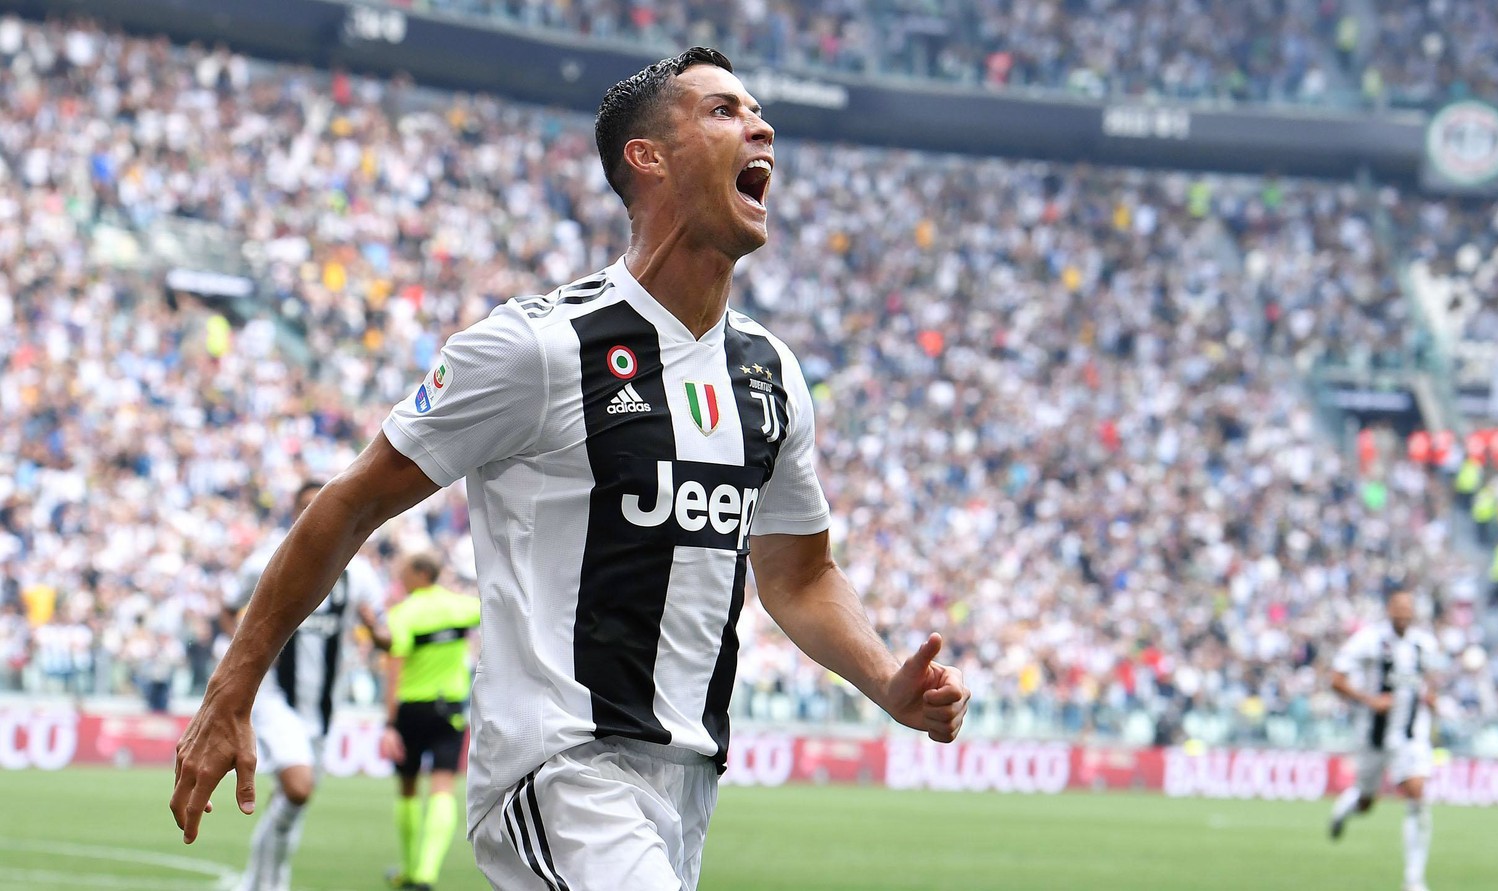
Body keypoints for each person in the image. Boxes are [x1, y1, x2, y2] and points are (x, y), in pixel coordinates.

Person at [171, 47, 970, 891]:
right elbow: (351, 503)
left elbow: (801, 574)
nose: (760, 124)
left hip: (690, 776)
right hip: (558, 768)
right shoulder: (540, 347)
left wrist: (885, 678)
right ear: (648, 157)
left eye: (757, 110)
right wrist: (233, 689)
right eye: (723, 110)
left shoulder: (770, 375)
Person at [219, 481, 390, 891]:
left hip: (325, 707)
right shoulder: (264, 562)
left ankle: (261, 882)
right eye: (308, 508)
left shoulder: (359, 574)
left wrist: (375, 629)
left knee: (294, 803)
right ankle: (265, 883)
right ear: (296, 515)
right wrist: (242, 661)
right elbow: (227, 610)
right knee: (297, 789)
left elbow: (386, 637)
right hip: (275, 698)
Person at [381, 552, 481, 891]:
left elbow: (394, 670)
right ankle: (426, 873)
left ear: (422, 573)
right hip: (449, 707)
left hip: (411, 709)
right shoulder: (461, 607)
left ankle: (409, 870)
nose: (400, 578)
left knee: (408, 787)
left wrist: (389, 723)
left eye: (404, 572)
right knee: (443, 786)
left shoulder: (403, 614)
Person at [1327, 589, 1440, 891]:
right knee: (1367, 802)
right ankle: (1346, 807)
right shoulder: (1368, 640)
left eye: (1408, 609)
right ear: (1389, 610)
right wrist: (1369, 700)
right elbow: (1336, 679)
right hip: (1373, 735)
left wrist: (1430, 698)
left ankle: (1414, 880)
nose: (1404, 614)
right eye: (1398, 609)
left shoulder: (1424, 643)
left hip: (1411, 735)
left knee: (1417, 793)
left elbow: (1427, 679)